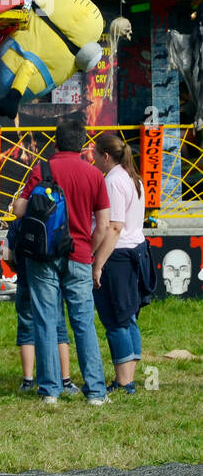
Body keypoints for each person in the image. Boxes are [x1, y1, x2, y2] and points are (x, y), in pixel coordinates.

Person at [10, 115, 110, 405]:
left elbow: (19, 210)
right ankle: (95, 392)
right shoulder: (93, 175)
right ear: (83, 145)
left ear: (55, 142)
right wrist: (88, 251)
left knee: (45, 320)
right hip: (79, 255)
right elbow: (103, 224)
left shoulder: (43, 170)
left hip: (43, 255)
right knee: (83, 323)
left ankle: (49, 391)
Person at [90, 132, 155, 394]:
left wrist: (98, 264)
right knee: (128, 318)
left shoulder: (113, 181)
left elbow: (114, 227)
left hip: (118, 257)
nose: (92, 158)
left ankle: (124, 382)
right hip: (135, 251)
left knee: (116, 319)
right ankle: (128, 377)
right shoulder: (131, 176)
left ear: (105, 156)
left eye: (94, 154)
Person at [5, 220, 81, 397]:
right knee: (59, 329)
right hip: (50, 283)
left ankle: (28, 380)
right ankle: (65, 380)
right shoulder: (57, 219)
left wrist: (14, 267)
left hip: (25, 282)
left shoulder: (19, 223)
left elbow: (6, 252)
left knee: (26, 330)